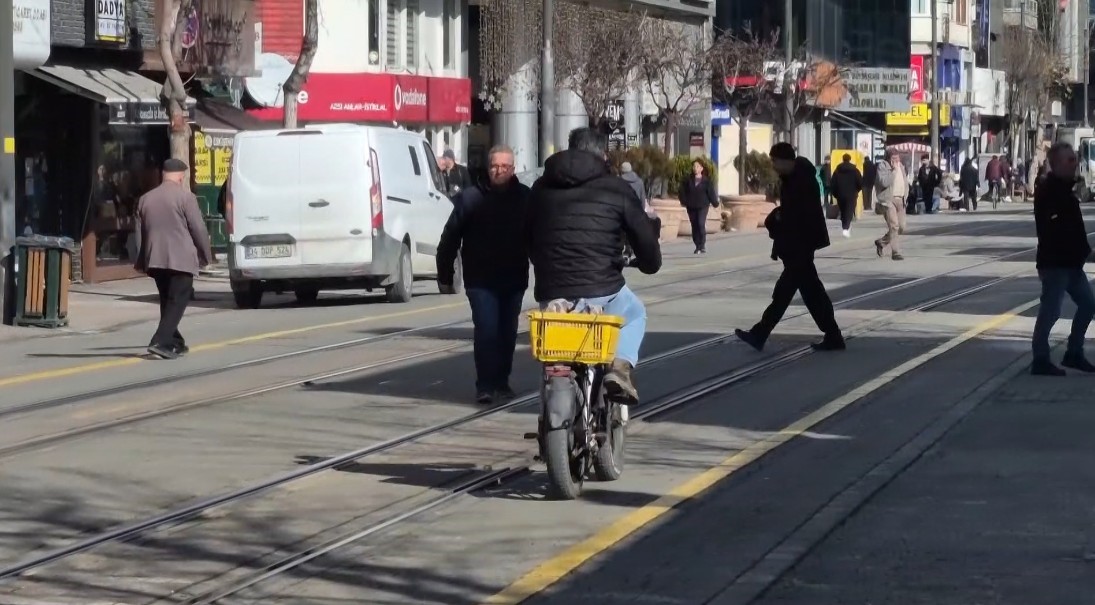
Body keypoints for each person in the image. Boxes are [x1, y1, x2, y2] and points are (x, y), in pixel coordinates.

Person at [528, 127, 662, 403]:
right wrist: (650, 263)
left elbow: (525, 233)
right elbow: (644, 237)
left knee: (554, 347)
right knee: (635, 312)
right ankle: (620, 368)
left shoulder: (540, 188)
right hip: (603, 288)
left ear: (569, 148)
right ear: (602, 154)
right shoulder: (617, 188)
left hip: (552, 290)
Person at [437, 145, 532, 403]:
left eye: (505, 166)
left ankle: (502, 381)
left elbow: (536, 237)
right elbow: (450, 237)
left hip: (513, 277)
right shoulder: (470, 198)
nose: (499, 171)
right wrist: (444, 273)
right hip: (480, 279)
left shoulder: (524, 197)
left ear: (513, 169)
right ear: (487, 167)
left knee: (508, 331)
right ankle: (486, 384)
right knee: (487, 330)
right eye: (494, 166)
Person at [734, 143, 845, 353]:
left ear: (786, 161)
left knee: (790, 293)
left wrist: (780, 221)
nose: (773, 166)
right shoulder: (792, 179)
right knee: (810, 293)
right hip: (797, 246)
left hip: (801, 245)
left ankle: (761, 333)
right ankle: (833, 335)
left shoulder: (802, 179)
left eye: (775, 161)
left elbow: (800, 216)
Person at [133, 158, 213, 360]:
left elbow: (139, 233)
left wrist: (142, 260)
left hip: (156, 259)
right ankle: (159, 341)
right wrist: (205, 254)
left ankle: (174, 342)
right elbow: (198, 228)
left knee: (167, 300)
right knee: (178, 300)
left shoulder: (145, 199)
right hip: (181, 259)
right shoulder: (186, 198)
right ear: (180, 176)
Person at [1030, 142, 1095, 376]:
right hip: (1055, 263)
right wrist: (1084, 251)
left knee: (1089, 305)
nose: (1074, 163)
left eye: (1074, 158)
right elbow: (1057, 229)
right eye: (1069, 160)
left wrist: (1082, 252)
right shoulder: (1050, 191)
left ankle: (1074, 353)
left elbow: (1073, 230)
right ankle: (1040, 359)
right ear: (1056, 164)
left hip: (1071, 264)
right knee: (1051, 311)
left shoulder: (1066, 189)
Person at [873, 150, 909, 261]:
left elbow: (905, 181)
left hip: (901, 200)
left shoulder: (901, 166)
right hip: (888, 200)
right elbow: (884, 182)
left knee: (901, 227)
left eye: (897, 157)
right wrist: (893, 171)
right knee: (894, 226)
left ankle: (881, 242)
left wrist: (905, 195)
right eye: (894, 158)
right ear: (889, 158)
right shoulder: (882, 166)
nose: (896, 160)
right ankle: (895, 252)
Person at [678, 159, 719, 254]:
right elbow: (682, 192)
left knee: (701, 223)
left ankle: (702, 244)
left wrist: (715, 203)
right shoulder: (688, 180)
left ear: (701, 168)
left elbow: (711, 193)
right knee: (694, 225)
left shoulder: (706, 181)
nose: (695, 168)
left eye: (697, 166)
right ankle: (697, 245)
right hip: (691, 206)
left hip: (703, 206)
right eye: (694, 166)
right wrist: (684, 201)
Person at [829, 153, 863, 237]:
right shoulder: (855, 170)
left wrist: (835, 194)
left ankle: (845, 227)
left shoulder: (837, 170)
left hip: (840, 194)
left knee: (843, 211)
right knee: (849, 211)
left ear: (843, 159)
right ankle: (846, 228)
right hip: (852, 194)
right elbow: (860, 182)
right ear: (850, 159)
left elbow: (833, 183)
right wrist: (856, 191)